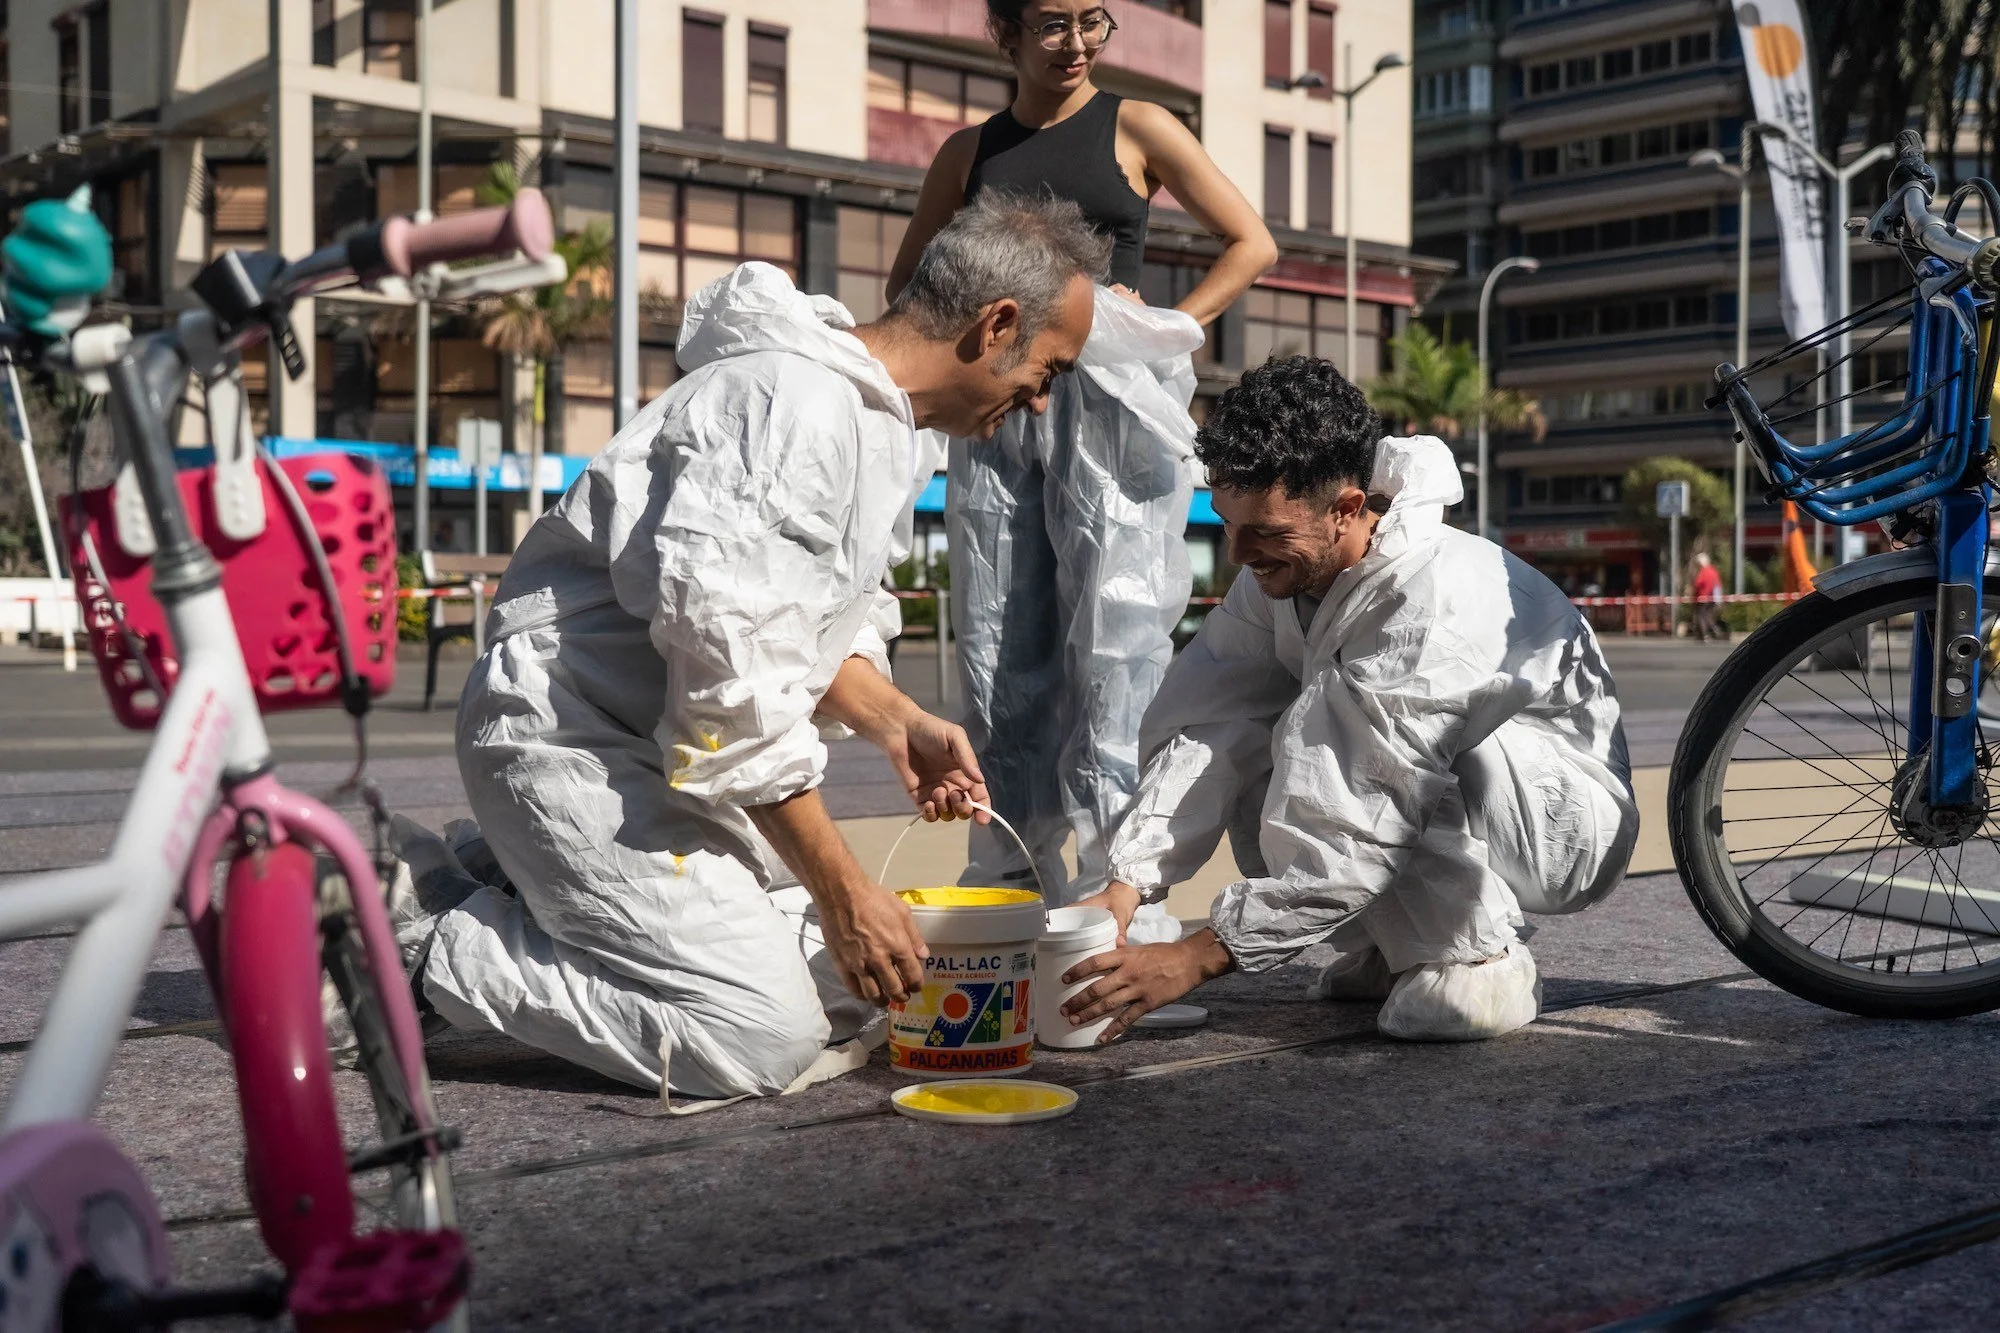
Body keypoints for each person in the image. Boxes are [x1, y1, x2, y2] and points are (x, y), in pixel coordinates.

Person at [404, 195, 1107, 1102]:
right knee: (760, 1035)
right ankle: (418, 940)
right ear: (996, 324)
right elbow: (728, 676)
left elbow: (797, 633)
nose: (1040, 400)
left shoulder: (874, 424)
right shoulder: (791, 409)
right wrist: (842, 888)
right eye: (1049, 370)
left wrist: (895, 719)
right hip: (573, 739)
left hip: (652, 743)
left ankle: (505, 872)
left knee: (859, 987)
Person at [1057, 358, 1641, 1043]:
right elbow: (1211, 723)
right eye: (1227, 524)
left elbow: (1366, 808)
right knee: (1270, 733)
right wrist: (1128, 882)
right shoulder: (1280, 574)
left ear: (1346, 509)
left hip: (1563, 820)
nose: (1239, 553)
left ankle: (1480, 957)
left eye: (1266, 533)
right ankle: (1398, 945)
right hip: (1462, 790)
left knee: (1346, 743)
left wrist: (1196, 956)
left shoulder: (1431, 601)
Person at [886, 0, 1277, 906]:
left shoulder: (1136, 124)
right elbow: (911, 282)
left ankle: (1119, 897)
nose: (1076, 44)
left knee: (1117, 649)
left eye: (1092, 20)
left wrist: (1166, 323)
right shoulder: (968, 153)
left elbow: (1250, 242)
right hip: (1000, 402)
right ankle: (1010, 878)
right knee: (998, 649)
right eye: (1052, 24)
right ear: (1006, 32)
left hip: (1111, 406)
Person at [1691, 551, 1725, 642]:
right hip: (1712, 597)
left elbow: (1697, 583)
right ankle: (1716, 630)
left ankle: (1705, 635)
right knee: (1709, 616)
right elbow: (1718, 585)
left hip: (1702, 597)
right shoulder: (1713, 571)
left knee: (1701, 616)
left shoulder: (1703, 571)